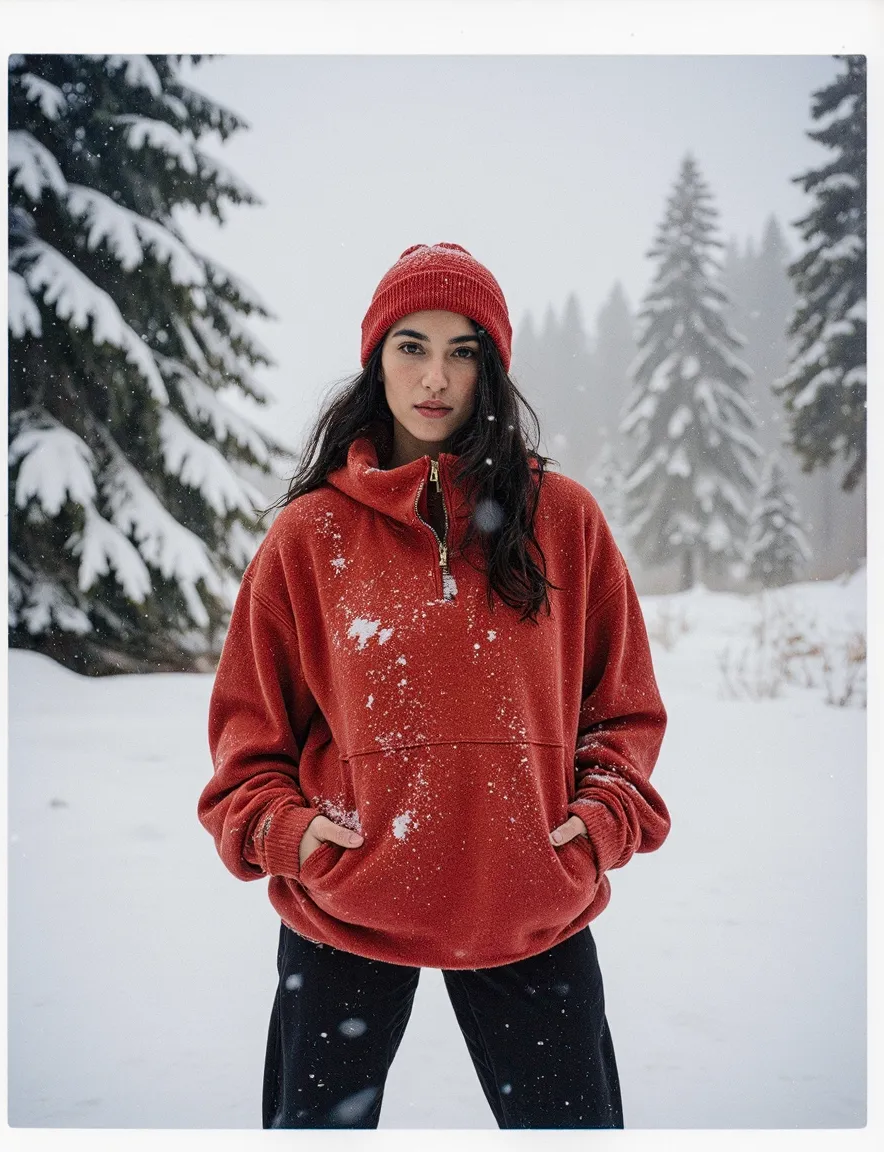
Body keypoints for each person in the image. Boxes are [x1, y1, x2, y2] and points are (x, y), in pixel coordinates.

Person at [197, 242, 671, 1130]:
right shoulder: (309, 537)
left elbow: (625, 710)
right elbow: (247, 741)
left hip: (531, 906)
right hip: (344, 913)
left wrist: (599, 821)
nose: (436, 376)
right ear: (376, 357)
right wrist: (292, 837)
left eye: (463, 351)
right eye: (412, 345)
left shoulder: (562, 519)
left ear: (492, 369)